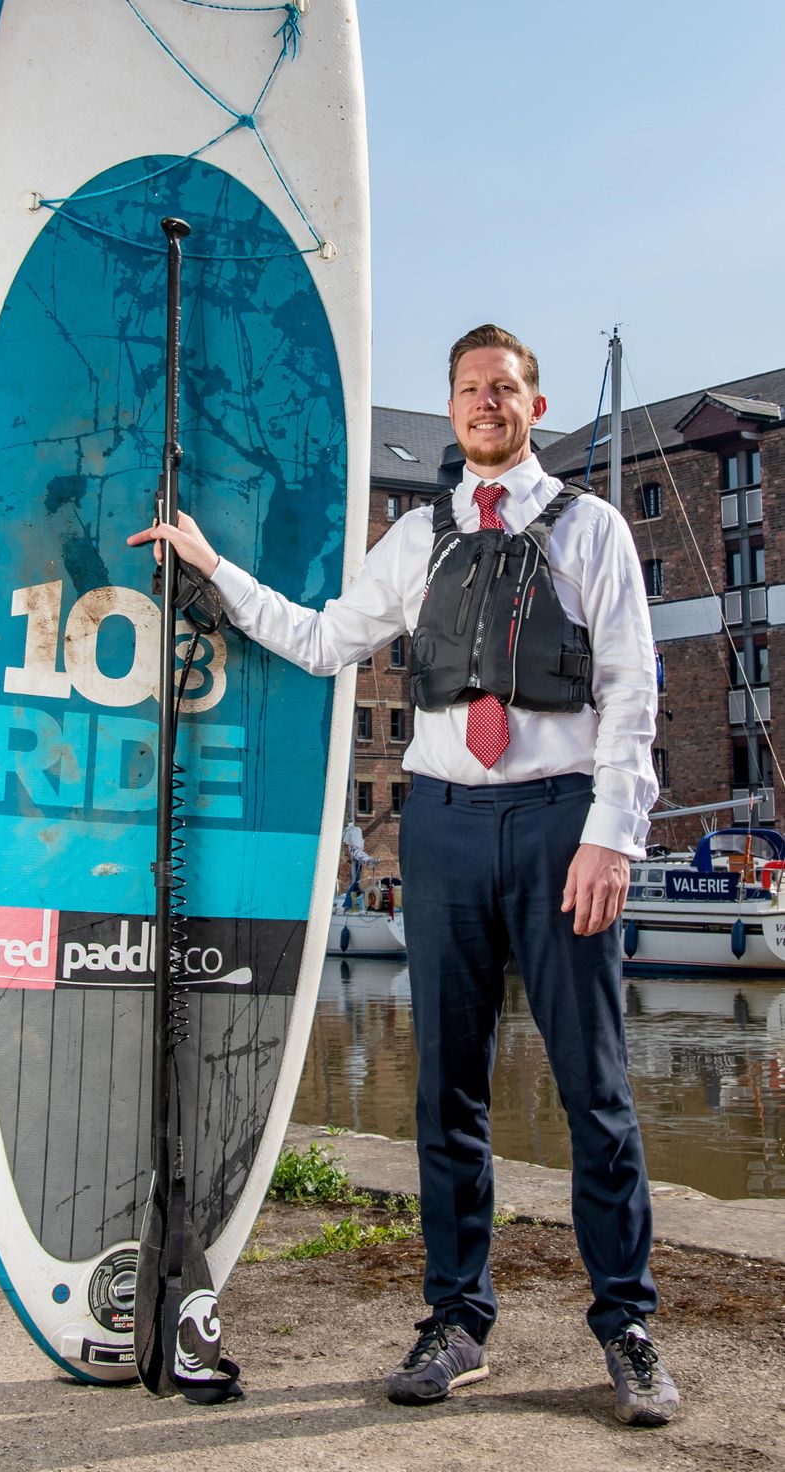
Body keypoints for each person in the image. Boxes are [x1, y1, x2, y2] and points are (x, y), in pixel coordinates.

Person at [128, 324, 679, 1427]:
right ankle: (455, 1319)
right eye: (470, 388)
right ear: (452, 406)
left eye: (505, 387)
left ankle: (624, 1321)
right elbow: (329, 638)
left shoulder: (592, 529)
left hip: (560, 818)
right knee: (445, 1090)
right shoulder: (416, 536)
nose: (486, 402)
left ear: (534, 403)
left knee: (596, 1094)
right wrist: (213, 571)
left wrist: (610, 836)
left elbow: (628, 687)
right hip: (441, 826)